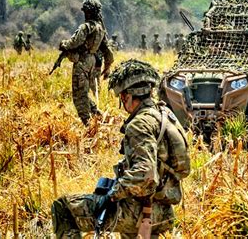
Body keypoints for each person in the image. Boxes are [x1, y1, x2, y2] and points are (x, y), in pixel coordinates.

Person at [51, 59, 190, 238]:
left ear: (127, 96)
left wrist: (110, 196)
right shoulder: (164, 114)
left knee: (63, 208)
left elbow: (145, 175)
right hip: (163, 211)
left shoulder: (139, 124)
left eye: (122, 97)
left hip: (139, 212)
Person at [59, 0, 114, 125]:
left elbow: (75, 42)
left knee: (79, 96)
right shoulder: (100, 29)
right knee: (83, 93)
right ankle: (97, 115)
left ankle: (88, 124)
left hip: (82, 62)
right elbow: (108, 51)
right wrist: (107, 66)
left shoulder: (86, 27)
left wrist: (63, 44)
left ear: (87, 12)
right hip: (93, 62)